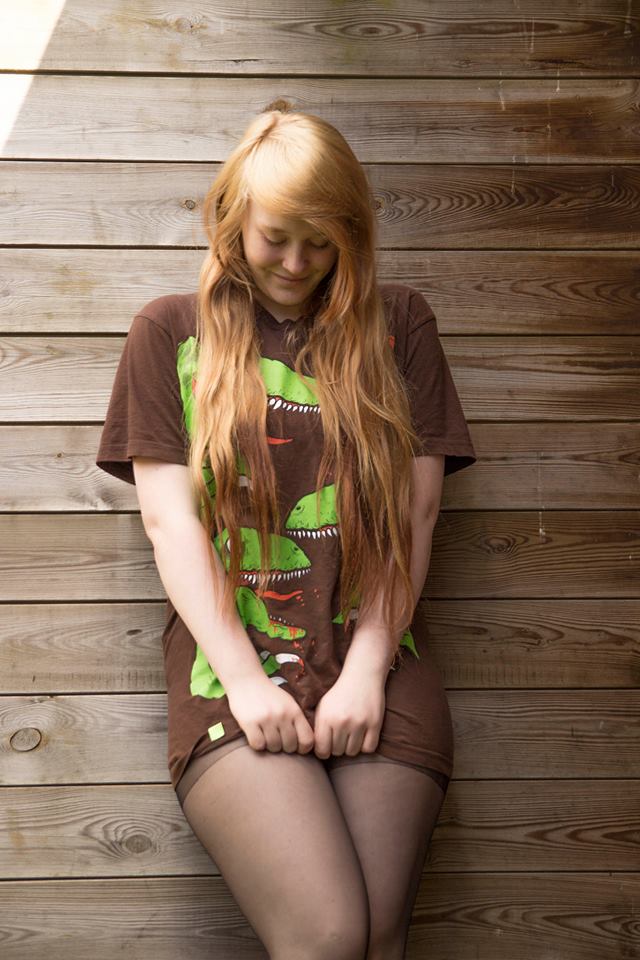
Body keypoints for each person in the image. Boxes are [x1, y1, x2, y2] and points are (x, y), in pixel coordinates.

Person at [95, 98, 477, 960]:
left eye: (321, 242)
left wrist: (368, 669)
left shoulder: (399, 326)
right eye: (276, 237)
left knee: (377, 939)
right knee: (326, 933)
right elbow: (169, 521)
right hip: (229, 666)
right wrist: (245, 682)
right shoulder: (170, 331)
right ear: (234, 217)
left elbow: (416, 513)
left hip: (381, 658)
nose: (297, 263)